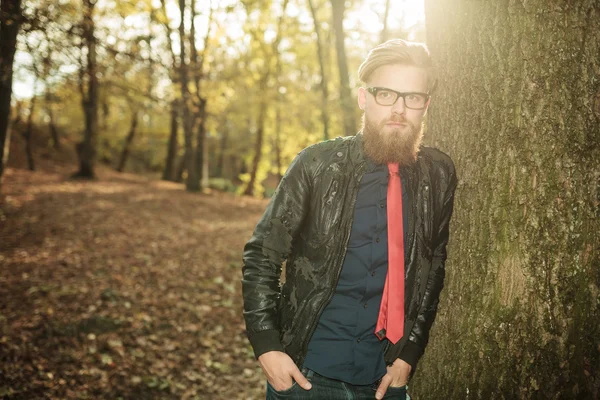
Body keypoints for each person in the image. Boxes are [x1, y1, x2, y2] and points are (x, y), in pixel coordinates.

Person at [242, 39, 457, 400]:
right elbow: (262, 254)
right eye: (386, 94)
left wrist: (410, 353)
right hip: (306, 374)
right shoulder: (317, 164)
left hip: (386, 378)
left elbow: (433, 266)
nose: (399, 109)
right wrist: (267, 346)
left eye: (413, 97)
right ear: (364, 97)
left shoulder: (438, 174)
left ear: (426, 105)